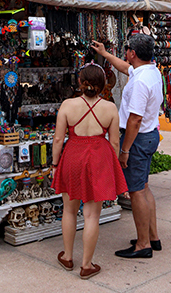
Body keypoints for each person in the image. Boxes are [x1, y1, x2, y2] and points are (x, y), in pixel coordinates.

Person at [51, 63, 128, 279]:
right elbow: (114, 143)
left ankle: (67, 256)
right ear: (103, 84)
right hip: (99, 157)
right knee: (92, 215)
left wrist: (55, 164)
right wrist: (112, 166)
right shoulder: (110, 108)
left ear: (80, 82)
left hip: (73, 156)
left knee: (69, 210)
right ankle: (86, 265)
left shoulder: (67, 105)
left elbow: (58, 139)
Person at [92, 34, 163, 259]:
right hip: (149, 136)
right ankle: (152, 237)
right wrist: (104, 53)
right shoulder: (150, 71)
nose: (126, 54)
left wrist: (125, 150)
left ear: (133, 52)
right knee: (143, 187)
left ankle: (143, 245)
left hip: (138, 139)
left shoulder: (142, 81)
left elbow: (134, 120)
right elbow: (125, 68)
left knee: (136, 191)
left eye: (127, 50)